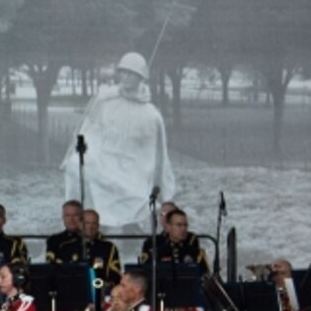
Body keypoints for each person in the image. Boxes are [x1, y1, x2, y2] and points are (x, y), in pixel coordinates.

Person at [62, 52, 175, 229]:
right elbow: (91, 134)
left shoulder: (151, 115)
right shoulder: (107, 103)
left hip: (134, 169)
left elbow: (157, 155)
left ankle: (131, 226)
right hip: (106, 160)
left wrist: (164, 191)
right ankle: (89, 221)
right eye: (123, 72)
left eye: (132, 73)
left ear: (141, 77)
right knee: (77, 167)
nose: (126, 77)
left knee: (133, 192)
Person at [140, 208, 210, 276]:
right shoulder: (156, 250)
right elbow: (145, 274)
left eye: (185, 225)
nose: (183, 229)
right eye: (179, 225)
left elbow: (205, 277)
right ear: (168, 227)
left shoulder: (194, 252)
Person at [81, 209, 122, 288]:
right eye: (87, 223)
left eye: (94, 223)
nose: (90, 227)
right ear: (80, 224)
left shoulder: (108, 247)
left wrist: (100, 284)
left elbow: (115, 276)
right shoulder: (69, 247)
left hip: (99, 292)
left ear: (98, 225)